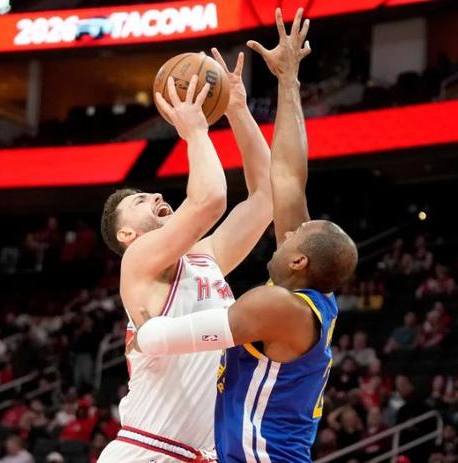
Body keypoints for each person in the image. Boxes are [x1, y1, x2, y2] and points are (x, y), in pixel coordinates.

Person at [134, 9, 357, 462]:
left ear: (299, 261)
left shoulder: (276, 306)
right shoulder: (308, 293)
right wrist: (286, 81)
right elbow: (288, 176)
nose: (288, 229)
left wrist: (143, 317)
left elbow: (157, 338)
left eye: (297, 234)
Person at [98, 52, 273, 462]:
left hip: (199, 454)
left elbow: (266, 197)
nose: (156, 196)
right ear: (127, 234)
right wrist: (194, 131)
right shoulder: (138, 260)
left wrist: (237, 109)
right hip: (146, 450)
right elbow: (210, 200)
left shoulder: (206, 257)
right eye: (140, 201)